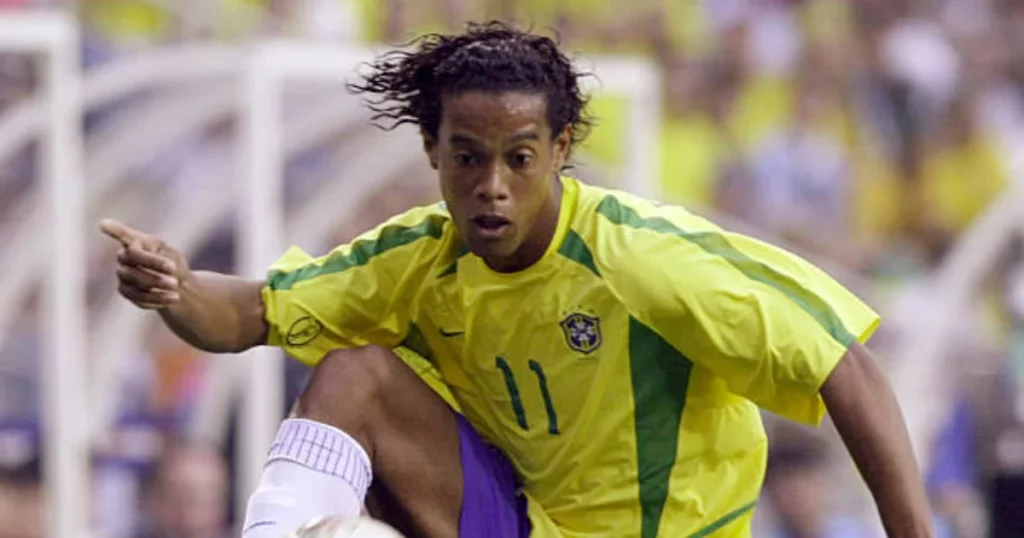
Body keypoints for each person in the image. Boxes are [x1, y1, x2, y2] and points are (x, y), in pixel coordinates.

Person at [100, 21, 933, 538]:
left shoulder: (641, 259)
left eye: (518, 159)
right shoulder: (417, 260)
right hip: (529, 525)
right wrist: (175, 287)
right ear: (434, 150)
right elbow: (247, 313)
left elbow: (844, 370)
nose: (491, 184)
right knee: (355, 376)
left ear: (561, 149)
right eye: (468, 157)